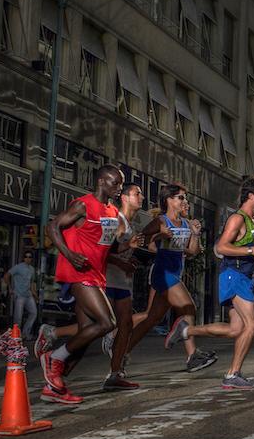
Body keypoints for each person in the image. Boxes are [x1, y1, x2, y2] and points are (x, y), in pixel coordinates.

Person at [166, 176, 254, 389]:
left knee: (235, 329)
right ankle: (233, 375)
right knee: (253, 324)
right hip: (234, 275)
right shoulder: (237, 219)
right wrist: (252, 251)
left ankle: (186, 331)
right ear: (250, 196)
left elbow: (245, 246)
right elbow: (221, 248)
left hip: (243, 275)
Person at [38, 166, 130, 404]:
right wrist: (68, 254)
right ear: (101, 181)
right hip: (79, 273)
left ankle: (54, 386)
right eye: (115, 183)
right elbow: (52, 227)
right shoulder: (83, 205)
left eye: (121, 184)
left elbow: (108, 246)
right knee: (107, 323)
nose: (119, 188)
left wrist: (128, 248)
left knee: (85, 333)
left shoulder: (112, 211)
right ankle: (54, 358)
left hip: (97, 275)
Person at [123, 184, 215, 372]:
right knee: (188, 307)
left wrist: (196, 234)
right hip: (163, 274)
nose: (185, 201)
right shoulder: (161, 221)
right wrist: (159, 235)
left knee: (151, 319)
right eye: (181, 198)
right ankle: (192, 355)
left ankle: (121, 352)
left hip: (176, 273)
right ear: (169, 201)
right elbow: (141, 239)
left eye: (185, 198)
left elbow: (192, 252)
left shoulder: (187, 223)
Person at [100, 183, 146, 391]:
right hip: (108, 279)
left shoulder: (131, 223)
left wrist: (131, 261)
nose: (142, 197)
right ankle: (54, 336)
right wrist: (125, 258)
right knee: (101, 325)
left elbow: (124, 251)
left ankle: (115, 373)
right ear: (125, 197)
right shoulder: (117, 219)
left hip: (123, 282)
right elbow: (104, 251)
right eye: (137, 193)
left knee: (125, 325)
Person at [5, 251, 38, 338]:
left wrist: (35, 294)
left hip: (28, 295)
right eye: (26, 256)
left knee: (34, 313)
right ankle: (15, 336)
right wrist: (10, 288)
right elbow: (6, 275)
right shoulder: (18, 267)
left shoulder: (32, 269)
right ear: (24, 258)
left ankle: (25, 333)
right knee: (18, 317)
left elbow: (31, 283)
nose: (28, 258)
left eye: (30, 257)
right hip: (19, 295)